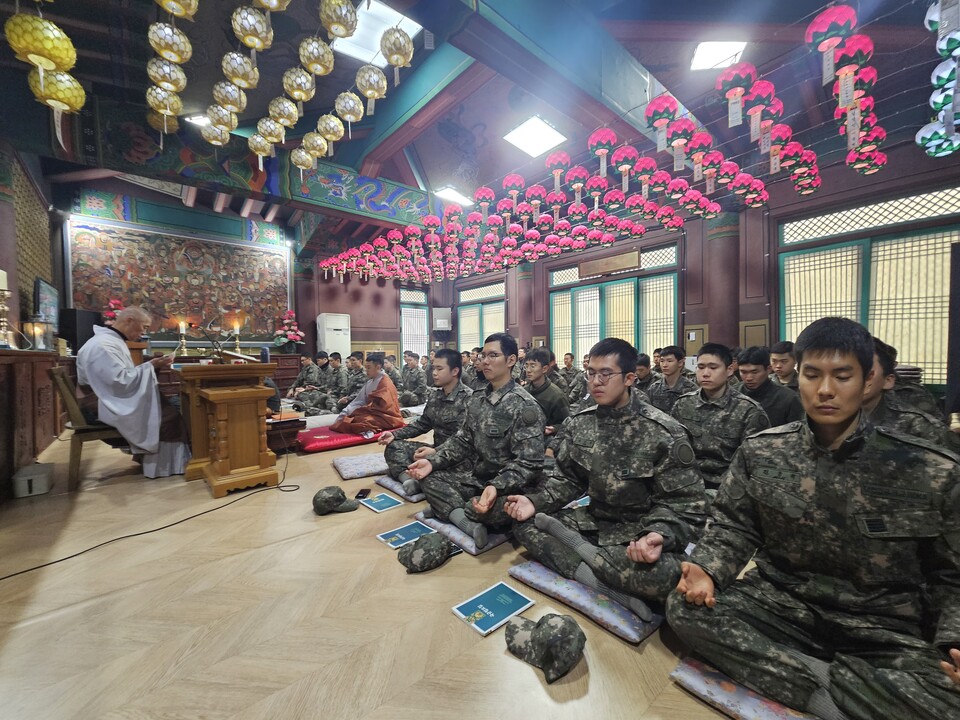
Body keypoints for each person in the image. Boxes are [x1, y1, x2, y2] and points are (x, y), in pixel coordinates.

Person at [668, 317, 960, 720]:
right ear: (797, 376)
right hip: (780, 603)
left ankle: (806, 677)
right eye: (812, 375)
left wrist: (954, 638)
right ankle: (842, 690)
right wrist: (708, 569)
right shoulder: (764, 451)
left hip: (883, 629)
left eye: (842, 376)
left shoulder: (930, 469)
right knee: (684, 608)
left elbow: (952, 575)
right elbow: (734, 526)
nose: (825, 390)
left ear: (867, 380)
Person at [506, 338, 707, 620]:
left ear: (629, 379)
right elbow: (568, 480)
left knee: (670, 577)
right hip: (594, 521)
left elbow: (686, 506)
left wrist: (658, 534)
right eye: (591, 373)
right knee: (523, 524)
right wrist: (535, 501)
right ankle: (599, 580)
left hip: (639, 535)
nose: (596, 382)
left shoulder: (664, 432)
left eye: (606, 374)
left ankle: (582, 555)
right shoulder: (581, 422)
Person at [406, 332, 545, 549]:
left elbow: (530, 463)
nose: (485, 361)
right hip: (478, 479)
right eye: (483, 355)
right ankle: (462, 517)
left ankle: (452, 510)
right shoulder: (478, 398)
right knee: (430, 478)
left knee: (487, 509)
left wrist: (497, 486)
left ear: (511, 360)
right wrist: (433, 461)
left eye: (493, 355)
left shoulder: (525, 406)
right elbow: (463, 440)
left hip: (509, 487)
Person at [76, 306, 190, 478]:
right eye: (144, 327)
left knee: (166, 407)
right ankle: (164, 467)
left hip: (104, 397)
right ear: (129, 320)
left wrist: (152, 366)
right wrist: (151, 365)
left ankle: (159, 462)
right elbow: (118, 382)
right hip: (100, 404)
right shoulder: (103, 345)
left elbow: (120, 378)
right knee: (167, 417)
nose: (144, 333)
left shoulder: (110, 341)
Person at [671, 343, 769, 491]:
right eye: (701, 367)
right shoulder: (683, 404)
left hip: (730, 487)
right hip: (687, 483)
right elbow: (673, 448)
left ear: (729, 370)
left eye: (713, 367)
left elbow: (755, 461)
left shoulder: (748, 410)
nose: (705, 373)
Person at [379, 348, 473, 495]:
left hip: (457, 457)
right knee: (394, 446)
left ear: (455, 371)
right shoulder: (436, 395)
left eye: (439, 369)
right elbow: (423, 423)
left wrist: (436, 452)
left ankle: (422, 477)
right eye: (434, 368)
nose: (434, 373)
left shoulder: (469, 399)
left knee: (449, 474)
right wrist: (395, 434)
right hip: (435, 450)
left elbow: (463, 440)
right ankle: (410, 480)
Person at [863, 337, 958, 451]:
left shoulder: (921, 427)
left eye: (866, 370)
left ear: (888, 380)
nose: (858, 378)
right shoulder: (845, 423)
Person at [330, 352, 404, 435]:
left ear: (378, 367)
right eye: (365, 367)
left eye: (369, 368)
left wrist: (364, 409)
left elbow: (386, 407)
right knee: (349, 418)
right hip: (372, 412)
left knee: (362, 422)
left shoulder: (385, 383)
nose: (366, 370)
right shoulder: (370, 382)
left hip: (387, 417)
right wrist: (347, 411)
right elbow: (360, 400)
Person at [737, 346, 805, 426]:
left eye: (755, 372)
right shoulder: (731, 394)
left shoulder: (787, 398)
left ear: (768, 369)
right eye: (744, 372)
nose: (749, 378)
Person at [523, 347, 570, 429]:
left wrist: (554, 429)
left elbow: (567, 424)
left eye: (533, 366)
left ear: (544, 369)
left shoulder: (556, 396)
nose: (528, 370)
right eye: (526, 366)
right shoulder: (524, 391)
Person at [647, 345, 697, 413]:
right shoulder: (654, 388)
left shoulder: (691, 389)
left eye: (669, 361)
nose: (664, 365)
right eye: (662, 361)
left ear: (680, 363)